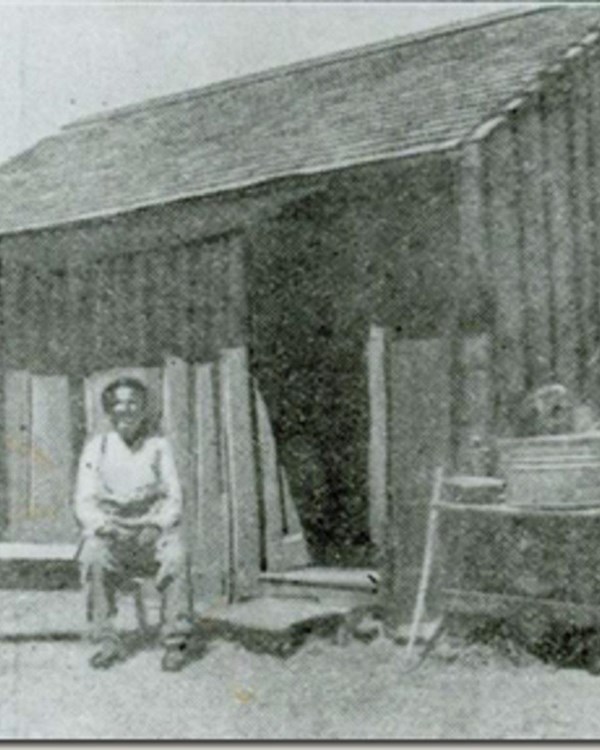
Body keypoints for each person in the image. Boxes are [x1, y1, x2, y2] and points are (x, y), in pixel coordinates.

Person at [74, 376, 193, 672]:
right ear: (109, 411)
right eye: (117, 404)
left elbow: (174, 497)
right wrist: (104, 527)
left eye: (132, 403)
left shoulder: (158, 447)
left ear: (143, 409)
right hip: (112, 532)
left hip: (150, 533)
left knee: (176, 556)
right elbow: (84, 501)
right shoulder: (97, 447)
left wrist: (156, 526)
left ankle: (175, 642)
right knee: (92, 556)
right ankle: (106, 641)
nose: (125, 410)